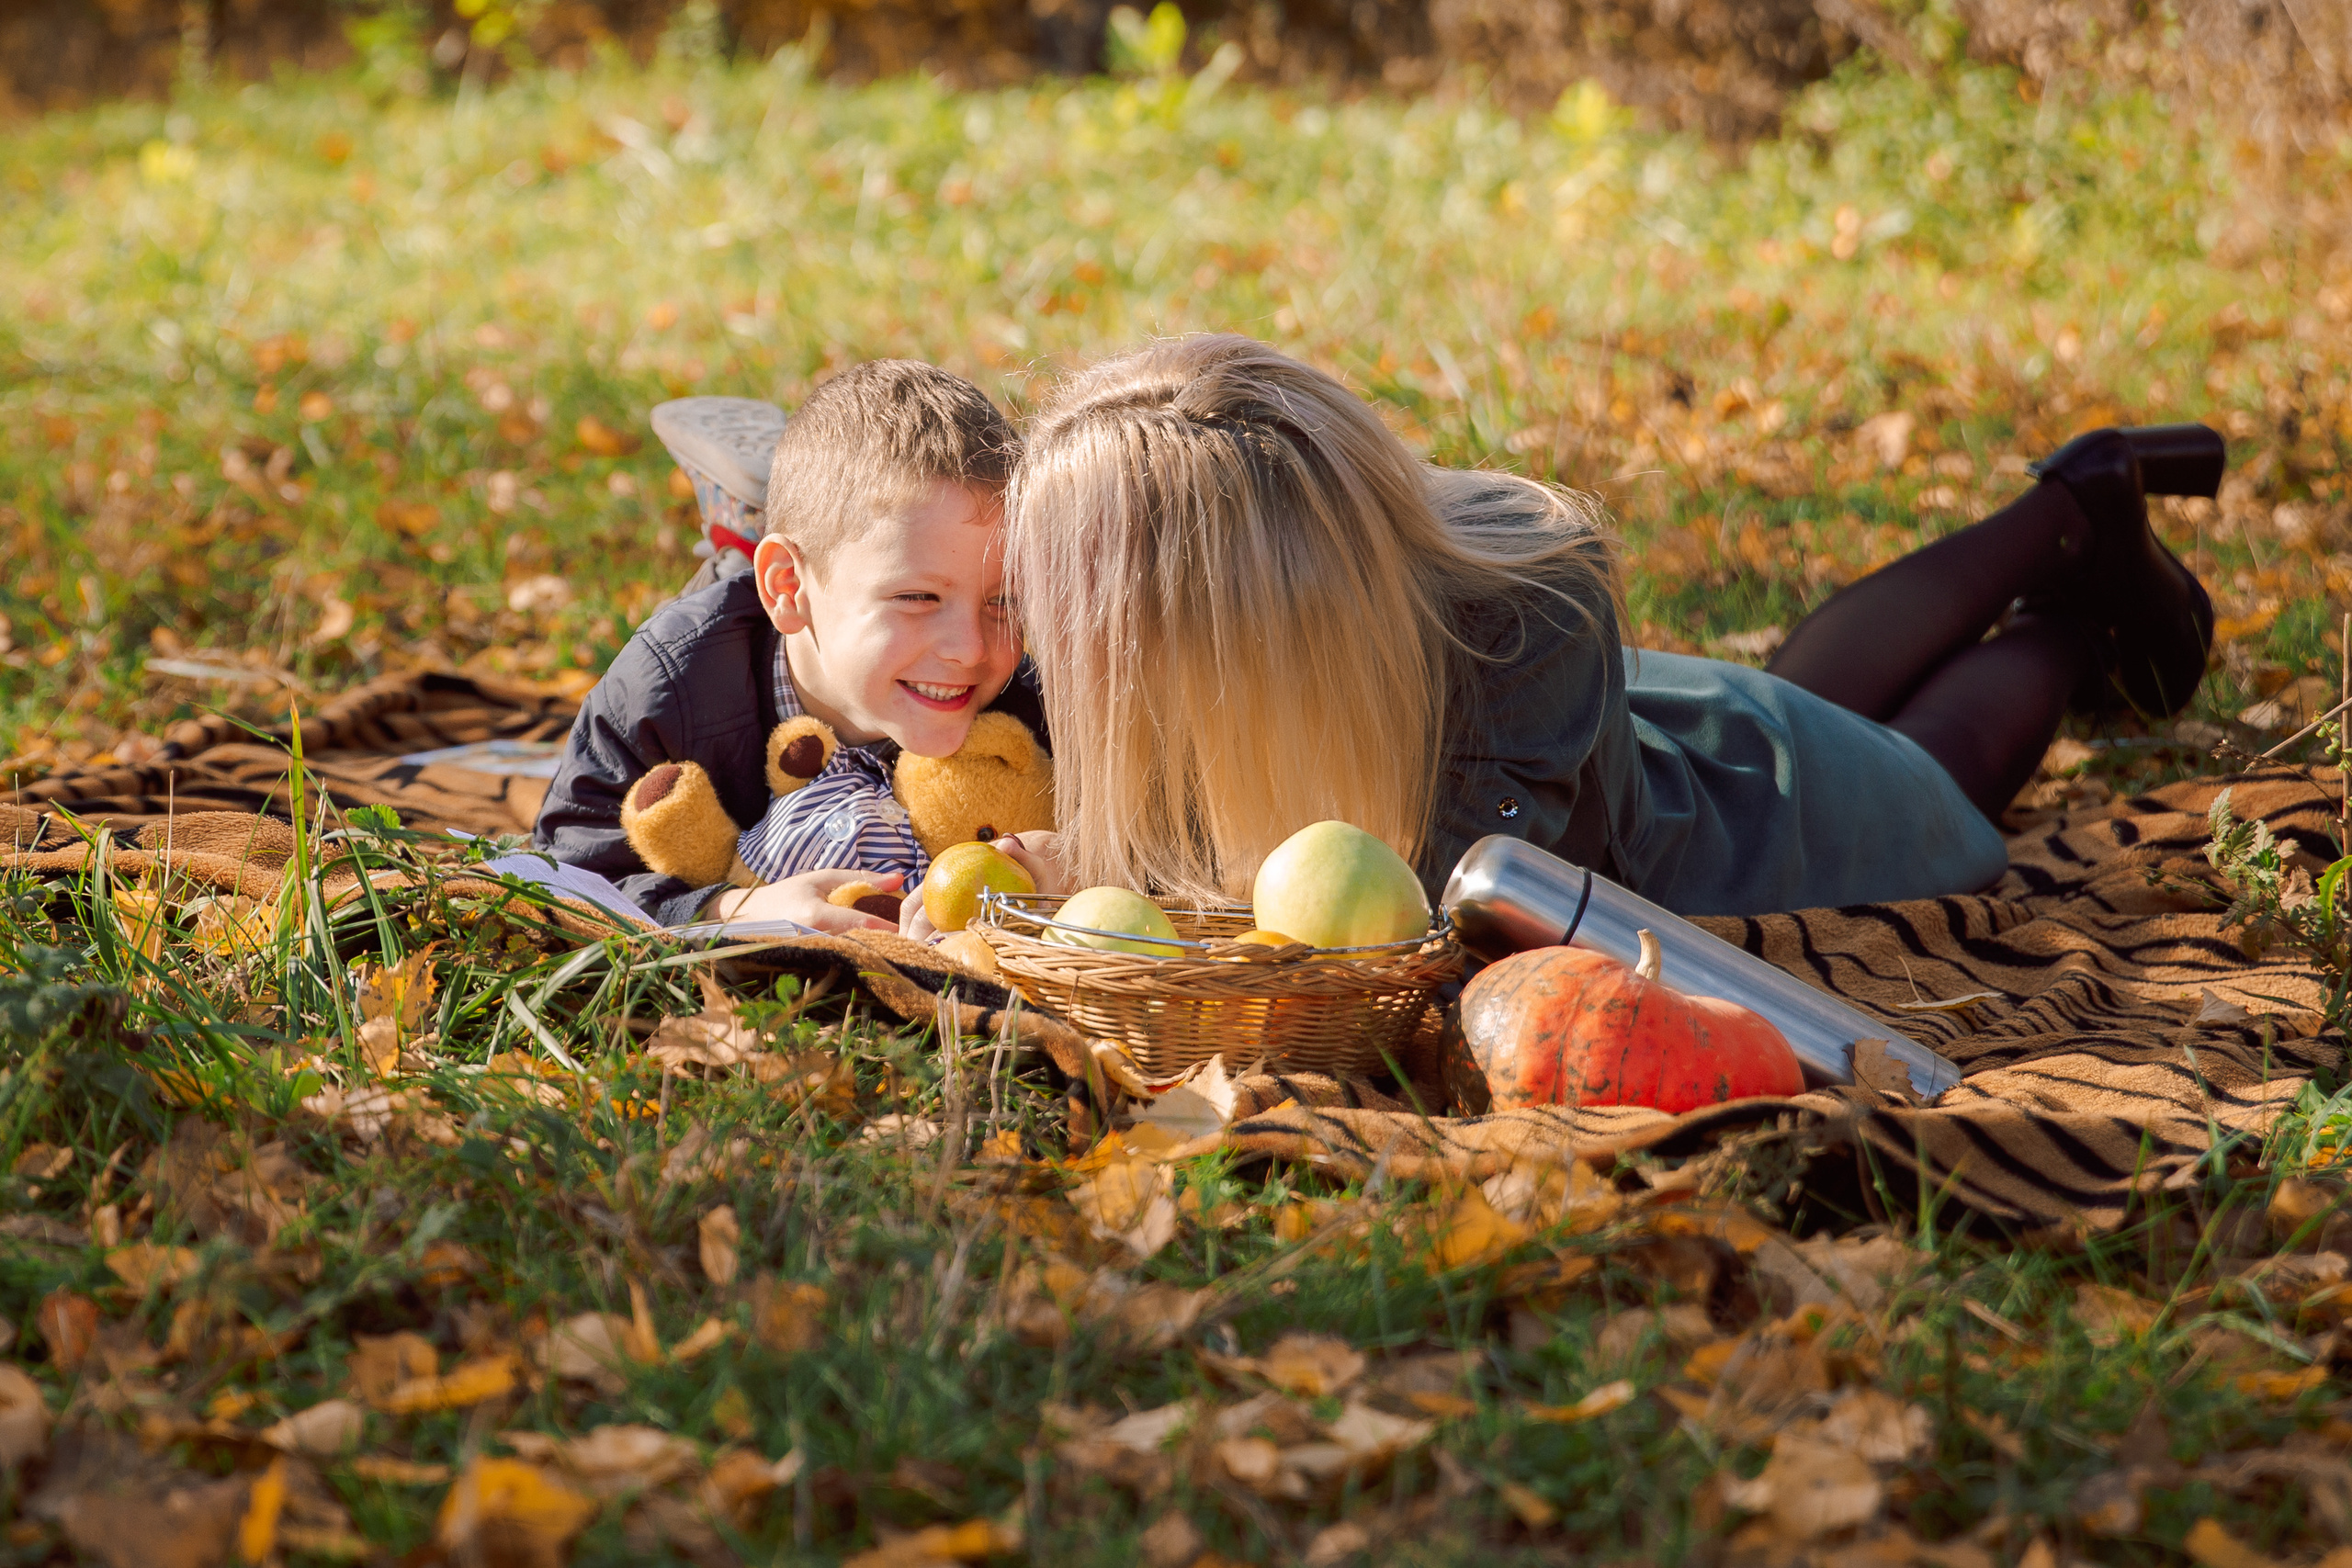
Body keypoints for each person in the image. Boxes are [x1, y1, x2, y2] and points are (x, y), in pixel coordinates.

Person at [1000, 333, 2221, 918]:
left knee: (1935, 769)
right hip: (1684, 737)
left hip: (1744, 850)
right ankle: (2076, 500)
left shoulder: (1515, 615)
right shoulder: (1352, 567)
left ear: (1231, 606)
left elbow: (1419, 937)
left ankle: (2070, 608)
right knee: (1802, 699)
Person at [533, 360, 1046, 931]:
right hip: (747, 611)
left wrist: (1065, 866)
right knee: (739, 568)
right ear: (789, 587)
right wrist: (729, 909)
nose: (971, 649)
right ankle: (737, 519)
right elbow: (565, 871)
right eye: (919, 597)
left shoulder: (1031, 695)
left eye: (1003, 600)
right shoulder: (668, 685)